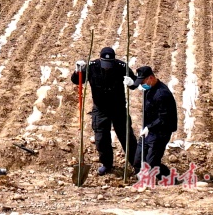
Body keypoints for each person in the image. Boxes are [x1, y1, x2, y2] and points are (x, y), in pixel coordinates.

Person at [70, 47, 137, 176]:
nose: (107, 67)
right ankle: (107, 164)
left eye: (109, 65)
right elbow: (77, 81)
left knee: (126, 136)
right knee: (101, 138)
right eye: (105, 65)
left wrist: (131, 82)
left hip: (118, 108)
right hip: (100, 109)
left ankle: (136, 164)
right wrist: (77, 71)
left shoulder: (121, 66)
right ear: (100, 60)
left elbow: (134, 83)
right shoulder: (92, 67)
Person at [132, 66, 177, 180]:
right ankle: (142, 179)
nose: (142, 85)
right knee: (138, 160)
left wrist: (149, 127)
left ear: (150, 78)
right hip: (148, 130)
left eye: (143, 82)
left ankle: (168, 177)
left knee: (151, 163)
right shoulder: (149, 88)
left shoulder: (162, 94)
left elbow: (164, 118)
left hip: (160, 132)